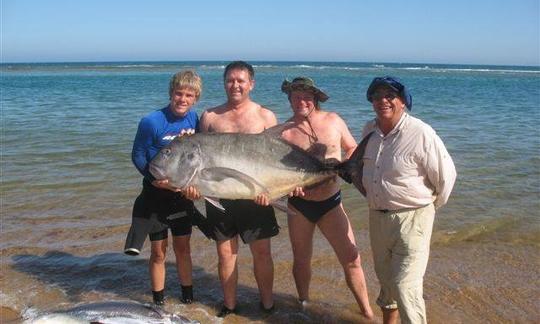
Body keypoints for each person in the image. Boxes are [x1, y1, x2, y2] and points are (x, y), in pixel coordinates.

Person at [183, 61, 279, 317]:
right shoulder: (210, 117)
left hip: (255, 197)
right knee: (226, 254)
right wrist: (194, 188)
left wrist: (271, 190)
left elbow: (276, 159)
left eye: (241, 80)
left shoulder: (265, 116)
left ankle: (268, 304)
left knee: (262, 252)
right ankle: (230, 305)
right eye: (230, 80)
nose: (235, 85)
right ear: (224, 83)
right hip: (220, 197)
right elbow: (199, 161)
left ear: (251, 84)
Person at [358, 76, 457, 324]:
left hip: (414, 218)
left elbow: (446, 178)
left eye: (390, 95)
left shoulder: (421, 133)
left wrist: (427, 209)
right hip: (377, 218)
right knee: (387, 283)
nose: (383, 100)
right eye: (377, 95)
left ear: (403, 101)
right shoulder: (369, 130)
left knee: (406, 287)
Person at [279, 77, 374, 320]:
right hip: (299, 206)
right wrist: (288, 188)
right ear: (289, 99)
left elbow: (352, 148)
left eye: (306, 96)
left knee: (352, 259)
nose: (301, 101)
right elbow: (279, 174)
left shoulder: (333, 120)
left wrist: (345, 168)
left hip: (331, 204)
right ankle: (304, 306)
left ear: (315, 98)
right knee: (301, 261)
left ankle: (367, 312)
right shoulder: (284, 132)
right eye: (296, 96)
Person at [128, 70, 203, 306]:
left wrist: (196, 186)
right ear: (171, 93)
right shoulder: (151, 121)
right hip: (155, 196)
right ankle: (158, 302)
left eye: (189, 95)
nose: (183, 99)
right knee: (159, 252)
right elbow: (138, 155)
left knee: (183, 249)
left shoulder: (195, 120)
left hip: (181, 196)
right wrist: (153, 180)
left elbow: (199, 159)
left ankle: (187, 298)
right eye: (178, 93)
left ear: (195, 98)